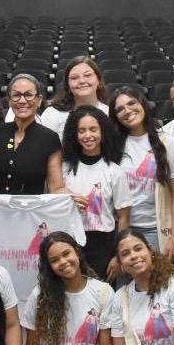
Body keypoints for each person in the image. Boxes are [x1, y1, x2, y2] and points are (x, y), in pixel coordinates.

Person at [112, 86, 174, 261]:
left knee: (158, 285)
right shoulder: (112, 145)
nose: (127, 111)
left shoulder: (167, 141)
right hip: (122, 229)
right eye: (120, 109)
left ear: (143, 103)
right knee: (127, 287)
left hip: (157, 229)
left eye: (131, 103)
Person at [61, 106, 131, 281]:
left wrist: (118, 255)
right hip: (70, 242)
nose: (88, 135)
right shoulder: (64, 169)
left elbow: (123, 217)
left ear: (102, 132)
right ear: (74, 135)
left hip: (103, 245)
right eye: (81, 131)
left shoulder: (114, 171)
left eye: (93, 129)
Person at [0, 74, 67, 196]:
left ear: (39, 100)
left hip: (31, 212)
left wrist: (74, 198)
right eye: (16, 95)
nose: (22, 100)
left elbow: (56, 187)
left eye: (29, 95)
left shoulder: (50, 139)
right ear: (9, 101)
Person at [35, 56, 110, 138]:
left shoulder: (110, 113)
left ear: (98, 80)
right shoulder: (52, 113)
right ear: (68, 86)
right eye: (74, 78)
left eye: (87, 75)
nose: (82, 81)